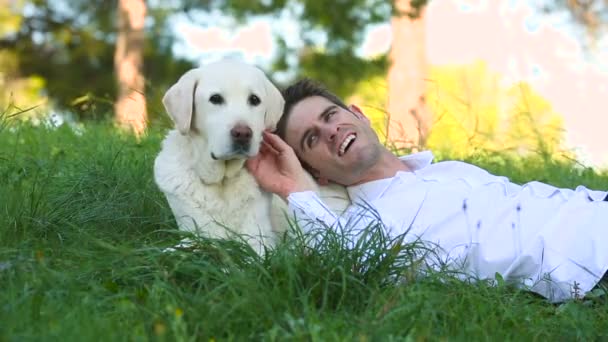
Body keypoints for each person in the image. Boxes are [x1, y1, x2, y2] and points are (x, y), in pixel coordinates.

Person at [246, 78, 608, 302]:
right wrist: (293, 188)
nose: (330, 131)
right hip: (591, 259)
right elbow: (344, 263)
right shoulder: (367, 228)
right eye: (312, 139)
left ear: (358, 114)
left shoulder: (449, 169)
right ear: (318, 174)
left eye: (330, 116)